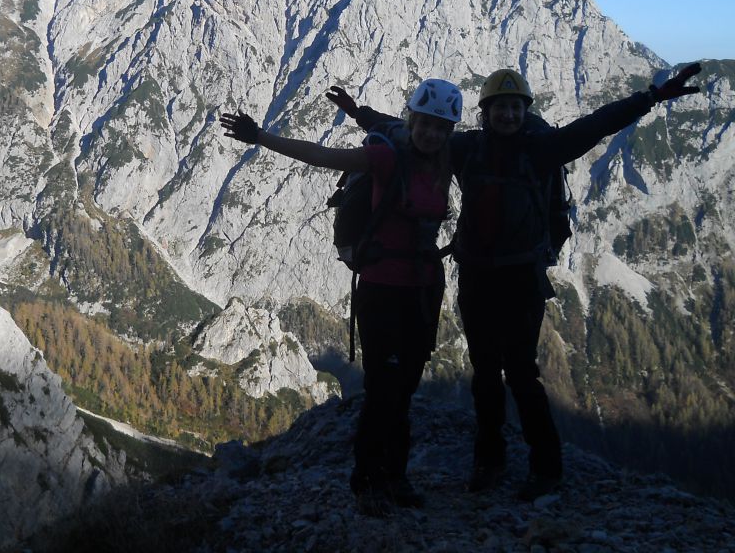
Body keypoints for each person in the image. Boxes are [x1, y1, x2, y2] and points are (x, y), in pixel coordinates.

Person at [329, 62, 702, 501]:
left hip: (522, 278)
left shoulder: (544, 148)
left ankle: (546, 467)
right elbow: (414, 131)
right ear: (485, 113)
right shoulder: (466, 148)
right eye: (498, 107)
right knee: (485, 372)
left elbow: (597, 124)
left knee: (523, 373)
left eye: (514, 107)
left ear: (524, 110)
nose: (507, 115)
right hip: (477, 276)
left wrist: (650, 98)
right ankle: (490, 461)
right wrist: (359, 113)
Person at [219, 79, 463, 516]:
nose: (432, 133)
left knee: (404, 388)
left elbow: (378, 119)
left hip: (422, 291)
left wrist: (354, 108)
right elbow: (322, 157)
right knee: (383, 388)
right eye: (425, 124)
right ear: (414, 121)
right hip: (381, 291)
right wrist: (260, 137)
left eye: (440, 128)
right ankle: (367, 482)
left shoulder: (445, 162)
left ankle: (397, 476)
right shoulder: (386, 158)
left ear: (449, 132)